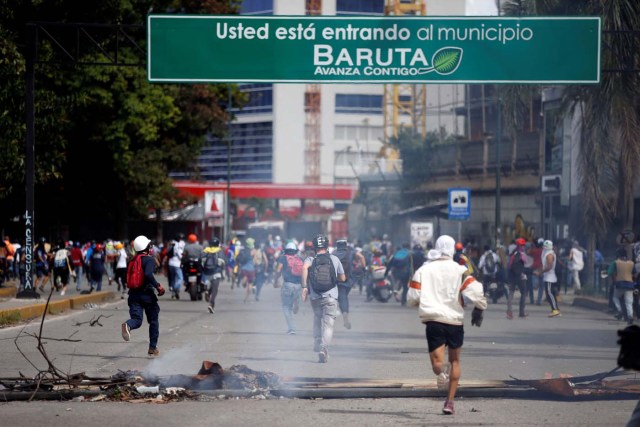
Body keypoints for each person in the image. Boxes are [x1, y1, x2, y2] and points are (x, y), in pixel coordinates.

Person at [407, 235, 487, 415]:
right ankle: (450, 401)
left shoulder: (424, 270)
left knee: (437, 365)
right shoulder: (460, 270)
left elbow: (412, 297)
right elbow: (476, 289)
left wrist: (419, 302)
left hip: (434, 321)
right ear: (452, 249)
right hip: (455, 322)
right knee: (455, 361)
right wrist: (479, 309)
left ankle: (444, 382)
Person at [302, 234, 345, 363]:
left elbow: (304, 268)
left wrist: (304, 287)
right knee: (328, 324)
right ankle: (324, 348)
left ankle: (316, 339)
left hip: (315, 297)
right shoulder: (334, 259)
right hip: (331, 297)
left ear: (314, 247)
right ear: (327, 246)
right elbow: (343, 278)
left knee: (317, 317)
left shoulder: (310, 259)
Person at [121, 235, 165, 356]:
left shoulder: (132, 260)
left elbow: (126, 277)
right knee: (153, 321)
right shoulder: (149, 259)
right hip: (147, 295)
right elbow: (148, 274)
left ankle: (128, 325)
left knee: (137, 320)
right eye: (149, 245)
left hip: (133, 295)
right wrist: (158, 286)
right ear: (146, 247)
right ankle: (152, 347)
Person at [275, 241, 304, 334]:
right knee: (293, 301)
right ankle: (297, 302)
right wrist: (304, 286)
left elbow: (278, 269)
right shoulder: (299, 259)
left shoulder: (283, 258)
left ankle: (291, 328)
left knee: (286, 307)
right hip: (298, 285)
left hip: (288, 285)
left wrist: (276, 280)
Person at [609, 248, 636, 325]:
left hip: (619, 284)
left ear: (618, 255)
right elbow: (634, 274)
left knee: (615, 297)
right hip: (630, 284)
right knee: (629, 302)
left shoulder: (615, 263)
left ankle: (620, 310)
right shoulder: (631, 263)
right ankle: (630, 316)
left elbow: (611, 273)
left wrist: (614, 281)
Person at [332, 239, 354, 329]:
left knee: (336, 298)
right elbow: (360, 257)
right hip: (347, 281)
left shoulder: (333, 253)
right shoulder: (350, 253)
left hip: (335, 280)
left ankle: (334, 313)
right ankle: (345, 318)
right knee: (343, 298)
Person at [506, 238, 530, 319]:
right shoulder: (520, 254)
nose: (523, 246)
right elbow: (524, 263)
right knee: (524, 293)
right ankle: (521, 312)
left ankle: (509, 312)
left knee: (511, 294)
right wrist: (520, 274)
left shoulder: (513, 253)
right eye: (523, 245)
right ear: (520, 246)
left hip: (512, 276)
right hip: (519, 276)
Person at [202, 237, 226, 314]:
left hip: (207, 272)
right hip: (216, 272)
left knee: (211, 286)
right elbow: (223, 262)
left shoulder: (206, 250)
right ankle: (211, 304)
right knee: (215, 289)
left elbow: (201, 260)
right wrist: (223, 273)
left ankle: (207, 292)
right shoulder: (220, 251)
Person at [541, 240, 562, 317]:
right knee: (551, 293)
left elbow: (549, 266)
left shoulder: (549, 254)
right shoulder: (548, 253)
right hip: (548, 276)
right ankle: (556, 309)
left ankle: (555, 310)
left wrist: (541, 271)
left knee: (549, 293)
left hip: (549, 277)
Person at [167, 233, 185, 299]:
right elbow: (179, 254)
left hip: (170, 263)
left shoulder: (171, 243)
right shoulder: (178, 244)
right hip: (177, 263)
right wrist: (182, 258)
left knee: (174, 279)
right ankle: (175, 290)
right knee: (180, 278)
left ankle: (174, 293)